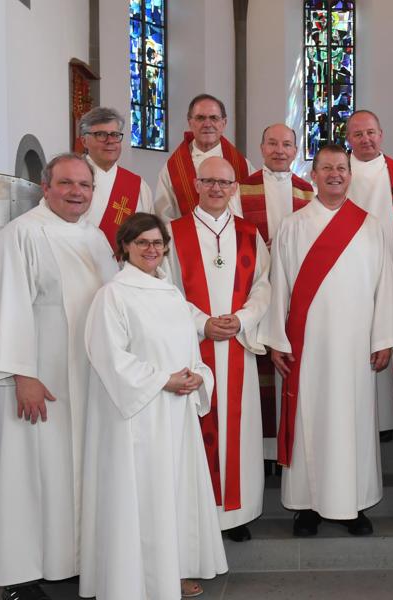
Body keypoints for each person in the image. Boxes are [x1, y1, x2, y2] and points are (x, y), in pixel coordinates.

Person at [0, 154, 118, 600]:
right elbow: (8, 306)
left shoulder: (96, 237)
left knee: (76, 470)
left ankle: (70, 560)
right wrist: (22, 374)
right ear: (46, 186)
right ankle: (18, 573)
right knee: (29, 471)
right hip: (41, 377)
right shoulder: (21, 234)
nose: (77, 192)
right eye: (66, 183)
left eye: (84, 185)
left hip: (88, 377)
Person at [259, 144, 393, 537]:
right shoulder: (293, 224)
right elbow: (280, 288)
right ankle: (307, 506)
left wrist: (384, 338)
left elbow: (385, 286)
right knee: (309, 420)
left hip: (355, 347)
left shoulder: (370, 225)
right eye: (326, 168)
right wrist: (277, 338)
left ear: (350, 173)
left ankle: (353, 505)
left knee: (353, 423)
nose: (335, 174)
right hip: (306, 345)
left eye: (341, 168)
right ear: (314, 175)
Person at [80, 213, 227, 600]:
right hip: (139, 414)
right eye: (142, 242)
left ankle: (171, 572)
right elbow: (108, 356)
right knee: (144, 493)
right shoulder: (114, 294)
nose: (151, 250)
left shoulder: (172, 294)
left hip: (176, 412)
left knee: (173, 493)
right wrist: (164, 380)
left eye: (157, 243)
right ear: (125, 246)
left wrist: (199, 377)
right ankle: (135, 581)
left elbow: (190, 351)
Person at [163, 156, 271, 543]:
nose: (216, 189)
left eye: (224, 183)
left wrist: (242, 319)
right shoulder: (173, 233)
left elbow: (263, 285)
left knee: (238, 431)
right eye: (208, 181)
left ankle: (237, 514)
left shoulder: (248, 232)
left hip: (238, 347)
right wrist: (202, 323)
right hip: (194, 351)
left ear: (234, 188)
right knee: (198, 429)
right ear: (195, 183)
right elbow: (166, 288)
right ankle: (200, 514)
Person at [235, 124, 313, 464]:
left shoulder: (309, 191)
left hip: (299, 290)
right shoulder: (241, 190)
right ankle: (266, 453)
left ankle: (293, 443)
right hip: (257, 286)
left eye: (286, 144)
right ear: (261, 147)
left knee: (294, 363)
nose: (279, 150)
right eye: (272, 144)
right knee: (262, 369)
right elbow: (237, 235)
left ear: (296, 151)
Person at [345, 110, 393, 436]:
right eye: (358, 134)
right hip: (346, 278)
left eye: (371, 132)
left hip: (390, 274)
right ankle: (351, 416)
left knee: (385, 338)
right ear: (348, 139)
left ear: (381, 134)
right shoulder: (335, 170)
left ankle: (385, 422)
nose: (366, 139)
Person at [154, 94, 253, 221]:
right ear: (190, 123)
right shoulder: (173, 168)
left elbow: (254, 208)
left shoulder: (243, 165)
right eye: (200, 118)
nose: (207, 124)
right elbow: (164, 216)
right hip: (188, 238)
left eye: (214, 118)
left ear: (224, 123)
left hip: (233, 238)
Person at [77, 107, 154, 250]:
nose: (110, 141)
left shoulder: (138, 186)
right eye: (101, 135)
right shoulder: (69, 180)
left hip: (125, 270)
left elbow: (150, 236)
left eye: (115, 134)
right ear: (84, 141)